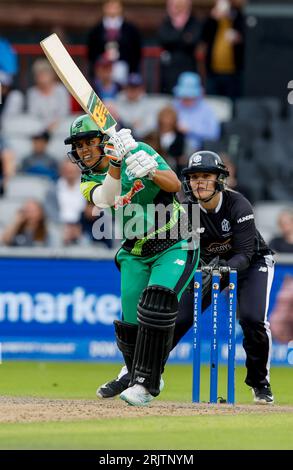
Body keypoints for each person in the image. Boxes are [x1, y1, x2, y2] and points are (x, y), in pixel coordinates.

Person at [100, 151, 276, 405]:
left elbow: (246, 253)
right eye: (194, 177)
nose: (199, 182)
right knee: (174, 318)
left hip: (251, 265)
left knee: (252, 319)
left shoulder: (238, 205)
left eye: (206, 176)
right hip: (207, 268)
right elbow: (179, 247)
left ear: (220, 180)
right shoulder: (185, 211)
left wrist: (223, 268)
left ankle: (260, 383)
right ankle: (137, 374)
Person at [64, 114, 199, 406]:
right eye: (78, 145)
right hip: (136, 249)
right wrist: (116, 164)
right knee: (129, 325)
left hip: (175, 240)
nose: (84, 150)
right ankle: (135, 372)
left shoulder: (140, 150)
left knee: (156, 302)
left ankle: (146, 383)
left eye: (89, 141)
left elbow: (174, 184)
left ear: (102, 140)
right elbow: (106, 199)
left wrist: (149, 170)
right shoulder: (88, 181)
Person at [87, 0, 142, 85]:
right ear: (104, 7)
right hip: (102, 72)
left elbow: (136, 52)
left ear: (121, 7)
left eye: (115, 5)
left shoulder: (131, 30)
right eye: (109, 5)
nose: (112, 9)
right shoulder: (96, 30)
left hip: (124, 72)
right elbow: (91, 52)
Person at [158, 0, 202, 94]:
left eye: (181, 6)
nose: (178, 9)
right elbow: (164, 39)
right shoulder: (166, 22)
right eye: (175, 6)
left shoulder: (194, 22)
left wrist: (175, 36)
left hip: (187, 68)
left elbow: (193, 41)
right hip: (169, 71)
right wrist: (183, 35)